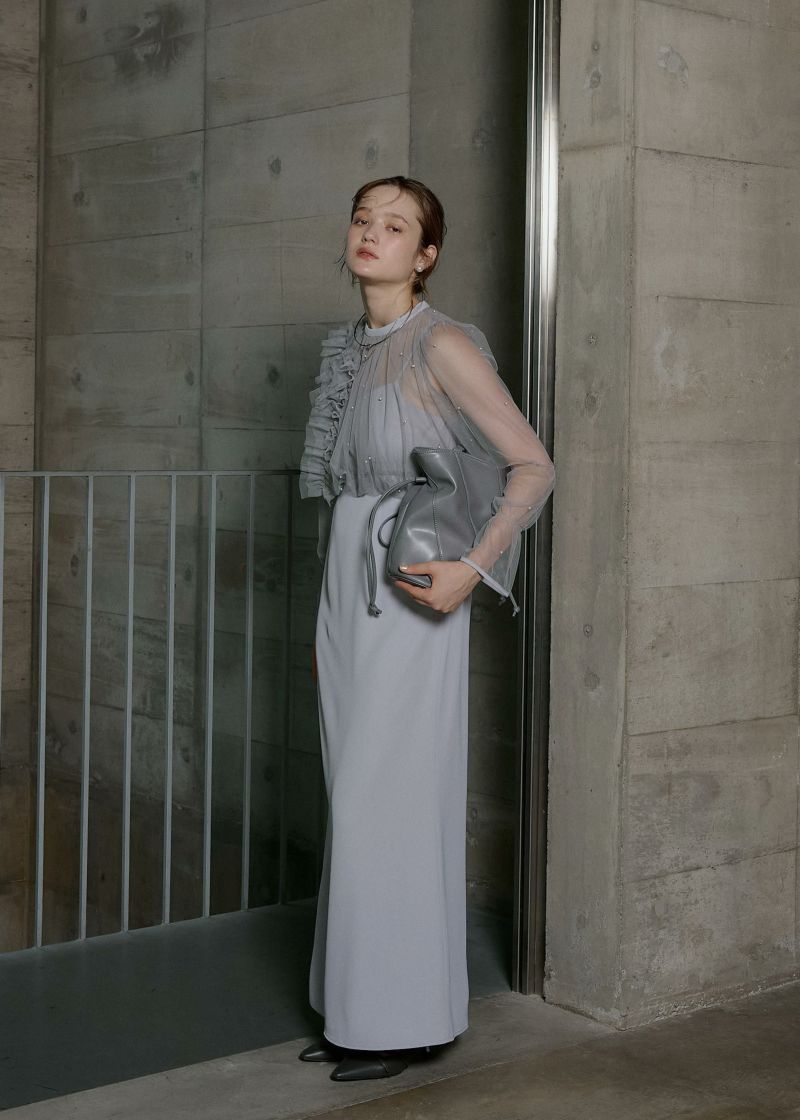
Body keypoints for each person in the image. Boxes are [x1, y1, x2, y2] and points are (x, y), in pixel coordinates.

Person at [297, 176, 555, 1083]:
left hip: (408, 586)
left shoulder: (438, 343)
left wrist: (473, 566)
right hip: (346, 582)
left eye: (396, 226)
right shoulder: (350, 349)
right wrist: (331, 612)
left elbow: (532, 465)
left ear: (427, 254)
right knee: (354, 795)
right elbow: (345, 495)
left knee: (390, 799)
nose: (372, 233)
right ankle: (361, 1010)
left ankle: (398, 1023)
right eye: (362, 218)